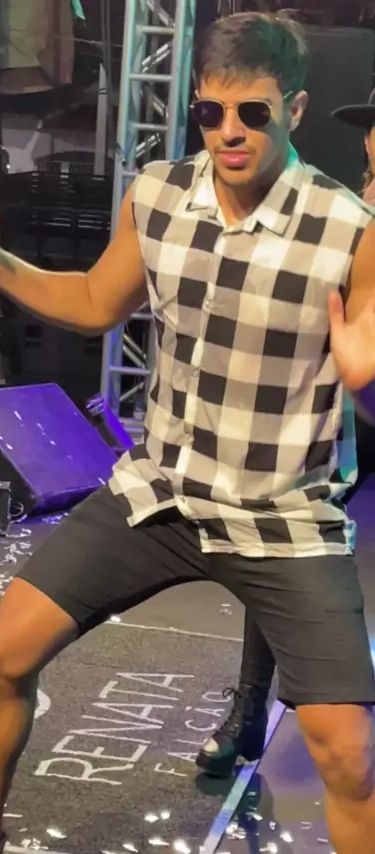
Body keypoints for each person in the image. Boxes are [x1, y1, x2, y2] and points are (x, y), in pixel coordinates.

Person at [0, 12, 375, 854]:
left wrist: (365, 380)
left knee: (347, 754)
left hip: (283, 517)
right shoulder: (158, 195)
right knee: (0, 655)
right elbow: (97, 302)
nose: (230, 132)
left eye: (253, 113)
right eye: (211, 112)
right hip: (160, 494)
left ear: (295, 109)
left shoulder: (351, 229)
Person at [199, 85, 375, 780]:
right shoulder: (351, 210)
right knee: (279, 534)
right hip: (344, 406)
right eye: (372, 127)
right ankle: (249, 709)